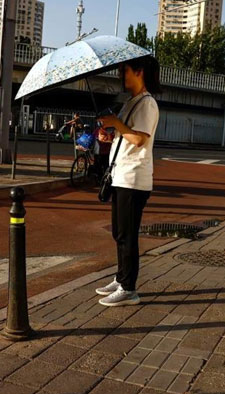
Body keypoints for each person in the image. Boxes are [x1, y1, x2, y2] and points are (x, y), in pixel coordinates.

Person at [95, 56, 161, 307]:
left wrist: (116, 124)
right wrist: (110, 132)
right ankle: (121, 277)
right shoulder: (132, 102)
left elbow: (139, 139)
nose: (121, 76)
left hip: (134, 179)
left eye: (125, 71)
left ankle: (129, 288)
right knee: (119, 232)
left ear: (139, 72)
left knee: (127, 234)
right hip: (121, 176)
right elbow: (126, 135)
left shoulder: (147, 104)